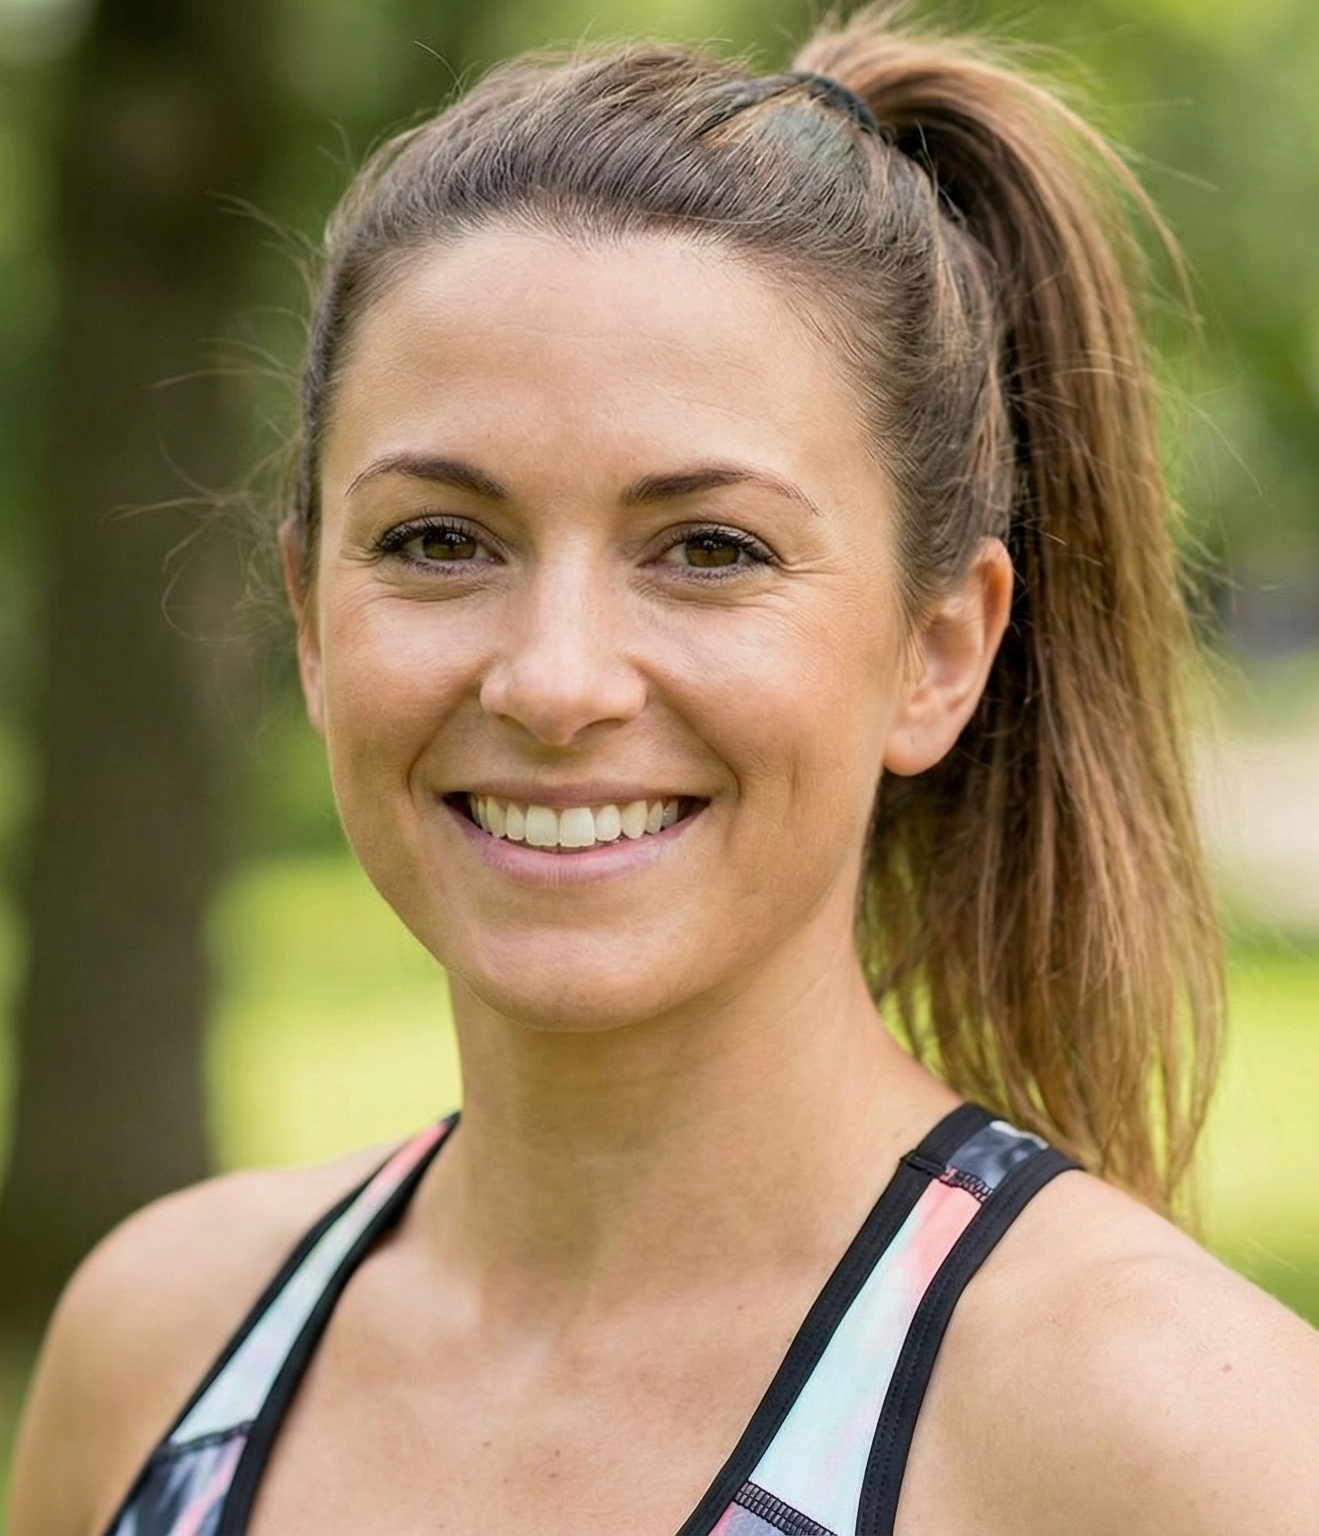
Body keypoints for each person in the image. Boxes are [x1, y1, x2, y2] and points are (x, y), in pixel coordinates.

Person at [10, 10, 1319, 1535]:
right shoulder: (158, 1347)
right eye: (439, 539)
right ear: (308, 619)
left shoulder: (1173, 1440)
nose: (555, 681)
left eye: (709, 549)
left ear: (937, 650)